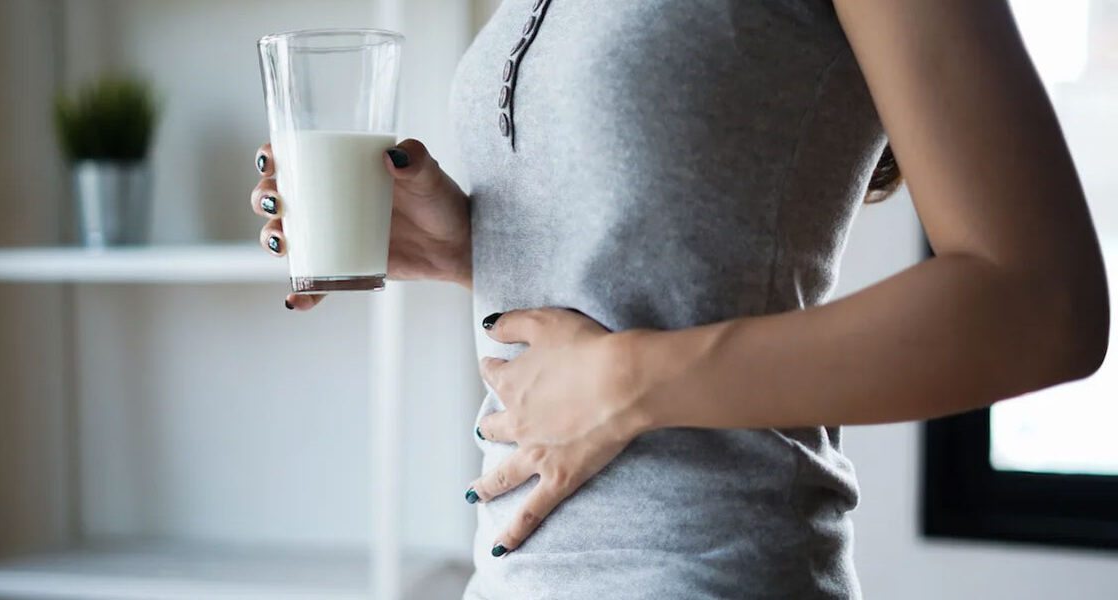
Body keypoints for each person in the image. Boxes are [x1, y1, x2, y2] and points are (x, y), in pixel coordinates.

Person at [248, 1, 1109, 597]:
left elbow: (1043, 304)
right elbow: (662, 266)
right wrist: (467, 249)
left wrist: (630, 377)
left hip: (710, 574)